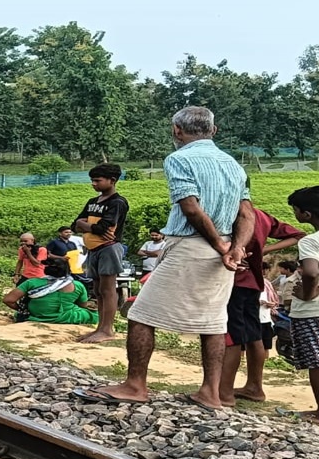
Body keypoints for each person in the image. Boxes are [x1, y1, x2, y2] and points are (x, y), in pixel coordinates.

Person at [75, 107, 252, 410]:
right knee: (212, 322)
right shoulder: (233, 164)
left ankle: (135, 385)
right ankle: (210, 392)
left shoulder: (179, 159)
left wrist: (219, 246)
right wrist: (234, 248)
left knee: (141, 314)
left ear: (177, 131)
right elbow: (246, 213)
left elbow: (192, 209)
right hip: (224, 246)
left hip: (190, 245)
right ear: (214, 130)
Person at [218, 208, 303, 406]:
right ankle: (254, 386)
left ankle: (224, 393)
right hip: (253, 283)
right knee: (253, 334)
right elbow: (297, 235)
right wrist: (263, 250)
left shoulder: (230, 213)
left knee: (231, 336)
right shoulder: (262, 215)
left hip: (233, 281)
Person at [72, 164, 130, 344]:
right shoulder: (92, 202)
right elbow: (74, 224)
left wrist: (85, 225)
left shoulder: (117, 203)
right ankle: (99, 327)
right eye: (92, 180)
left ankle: (107, 329)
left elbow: (103, 227)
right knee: (97, 289)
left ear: (112, 181)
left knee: (107, 288)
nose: (94, 184)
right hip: (94, 249)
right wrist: (88, 226)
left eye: (98, 180)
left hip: (108, 247)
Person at [286, 185, 319, 427]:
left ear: (307, 214)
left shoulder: (311, 241)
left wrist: (308, 293)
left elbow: (310, 272)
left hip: (314, 310)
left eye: (296, 210)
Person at [3, 257, 98, 325]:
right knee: (94, 315)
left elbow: (8, 300)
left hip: (36, 315)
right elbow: (83, 305)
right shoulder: (77, 285)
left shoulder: (32, 282)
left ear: (46, 269)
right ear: (67, 270)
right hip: (67, 316)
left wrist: (23, 309)